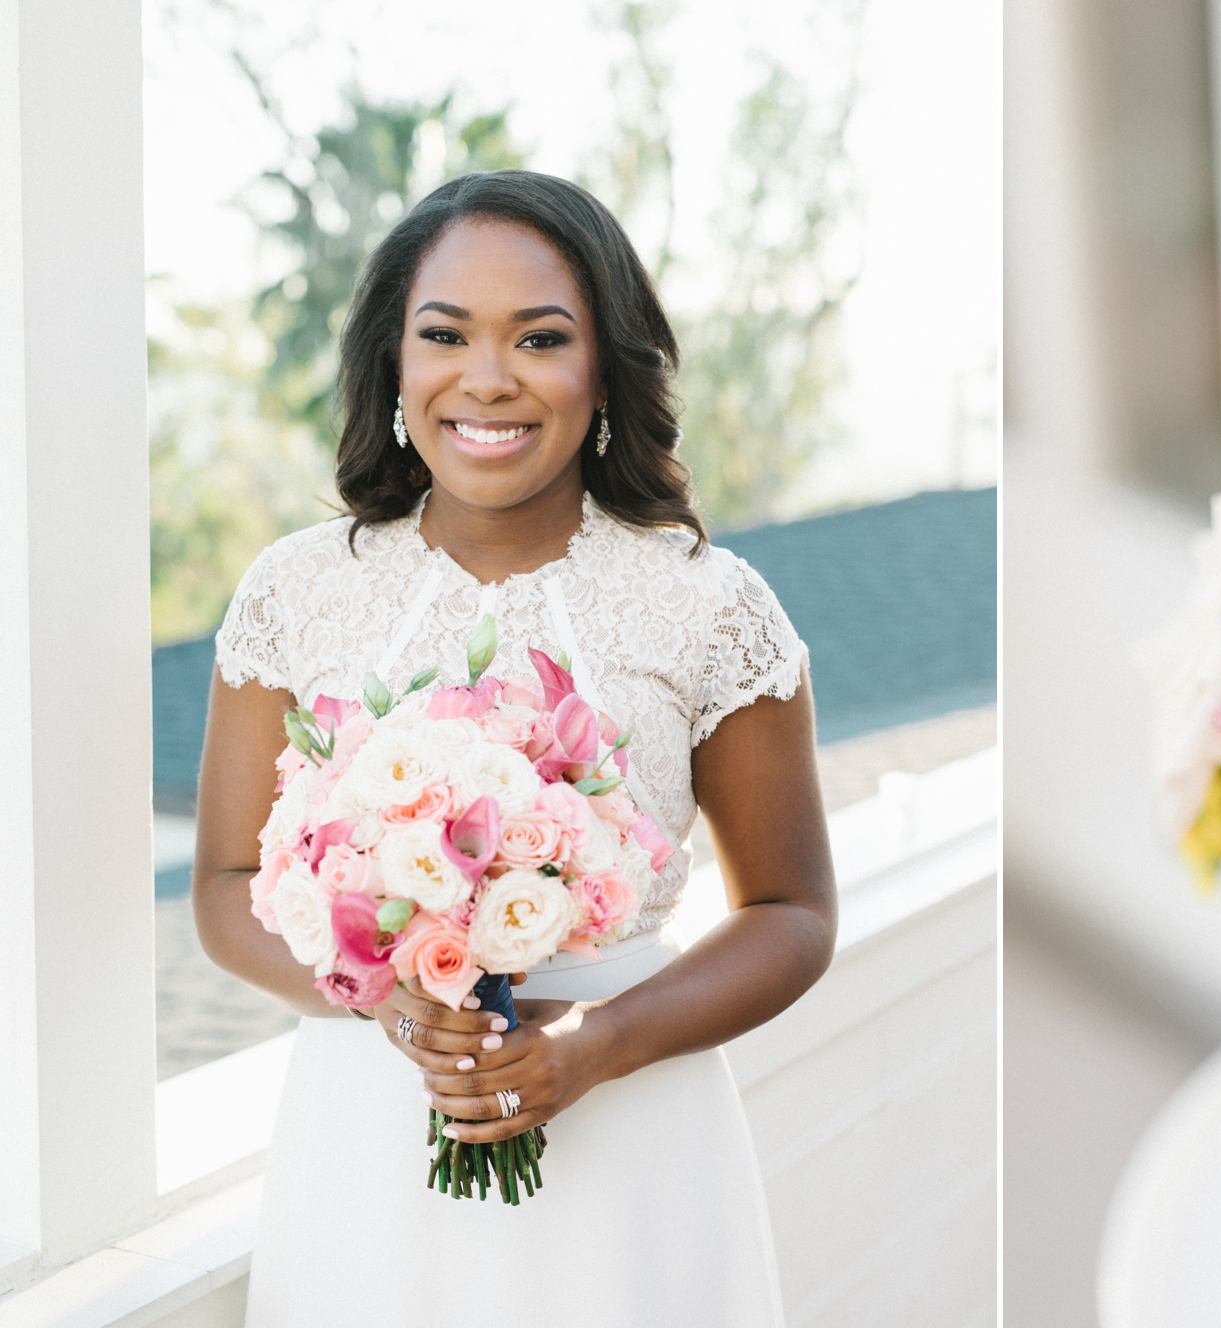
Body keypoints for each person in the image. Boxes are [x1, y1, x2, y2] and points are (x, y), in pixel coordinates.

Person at [192, 170, 835, 1324]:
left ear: (605, 371)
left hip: (631, 1133)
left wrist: (594, 1047)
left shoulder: (709, 606)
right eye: (445, 334)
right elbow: (228, 889)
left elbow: (791, 911)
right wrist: (392, 1003)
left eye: (540, 338)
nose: (486, 378)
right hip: (369, 1128)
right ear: (396, 360)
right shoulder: (294, 590)